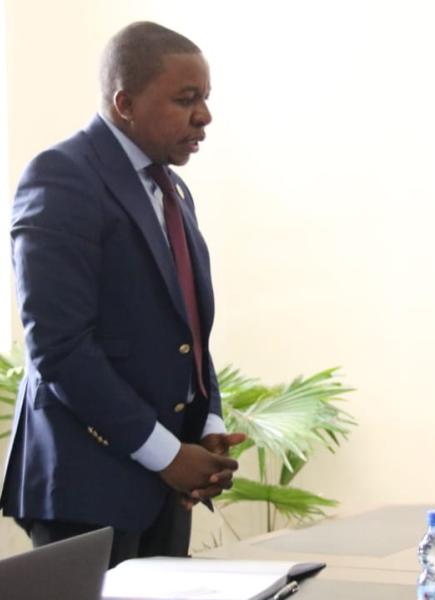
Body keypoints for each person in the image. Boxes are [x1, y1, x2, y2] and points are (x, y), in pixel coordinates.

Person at [0, 21, 245, 565]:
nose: (204, 116)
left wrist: (206, 427)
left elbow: (186, 335)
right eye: (186, 99)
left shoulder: (172, 187)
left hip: (165, 490)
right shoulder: (61, 176)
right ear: (125, 102)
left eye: (205, 98)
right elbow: (59, 346)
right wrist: (164, 454)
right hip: (87, 488)